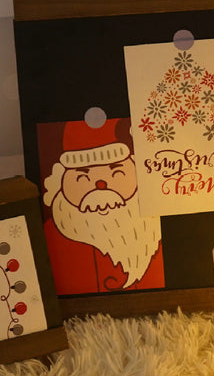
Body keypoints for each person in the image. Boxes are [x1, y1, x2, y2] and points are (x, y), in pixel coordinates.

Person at [41, 116, 164, 294]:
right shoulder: (50, 237)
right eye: (83, 176)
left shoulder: (156, 226)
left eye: (116, 171)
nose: (100, 185)